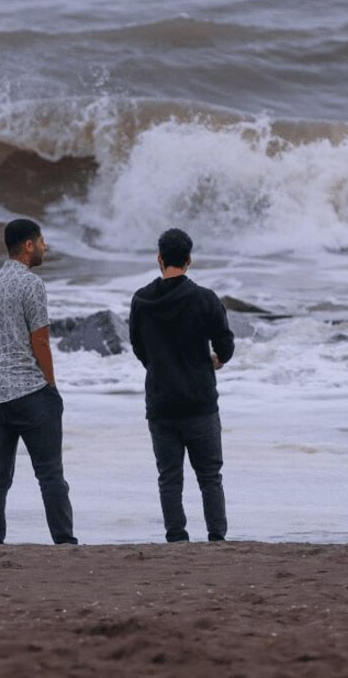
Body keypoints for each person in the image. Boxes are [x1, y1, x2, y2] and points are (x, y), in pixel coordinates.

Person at [129, 228, 235, 542]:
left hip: (161, 402)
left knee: (169, 478)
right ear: (189, 260)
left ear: (159, 259)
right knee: (210, 477)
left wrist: (159, 367)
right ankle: (216, 536)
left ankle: (176, 536)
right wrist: (216, 360)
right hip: (199, 400)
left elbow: (137, 346)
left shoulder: (141, 300)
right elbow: (225, 343)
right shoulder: (204, 299)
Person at [0, 218, 77, 545]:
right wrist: (51, 386)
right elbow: (41, 341)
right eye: (42, 241)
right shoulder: (31, 284)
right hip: (30, 391)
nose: (45, 246)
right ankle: (64, 541)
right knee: (50, 475)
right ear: (29, 245)